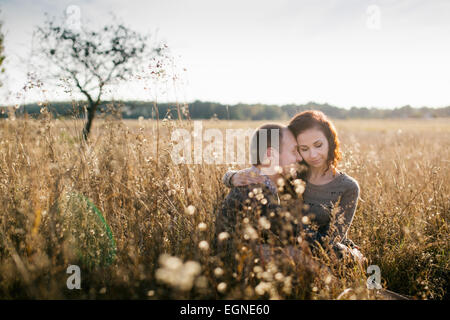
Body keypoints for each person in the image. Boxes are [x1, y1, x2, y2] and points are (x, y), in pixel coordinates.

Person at [222, 111, 365, 265]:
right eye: (304, 148)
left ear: (330, 141)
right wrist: (231, 177)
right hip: (287, 249)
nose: (313, 154)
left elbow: (334, 239)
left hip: (323, 250)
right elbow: (258, 174)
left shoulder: (347, 187)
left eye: (318, 145)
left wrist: (348, 254)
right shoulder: (292, 174)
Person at [214, 123, 312, 270]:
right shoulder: (257, 196)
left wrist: (229, 177)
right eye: (293, 151)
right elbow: (295, 242)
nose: (299, 158)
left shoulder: (256, 181)